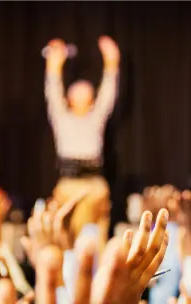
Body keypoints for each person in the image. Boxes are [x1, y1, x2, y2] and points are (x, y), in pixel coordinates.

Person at [43, 35, 120, 249]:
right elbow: (53, 90)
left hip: (94, 184)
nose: (81, 93)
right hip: (69, 183)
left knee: (96, 240)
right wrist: (54, 64)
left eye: (86, 91)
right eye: (76, 92)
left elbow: (108, 93)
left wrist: (112, 61)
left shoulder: (95, 118)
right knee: (66, 237)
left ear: (92, 99)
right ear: (69, 99)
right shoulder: (62, 118)